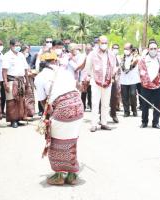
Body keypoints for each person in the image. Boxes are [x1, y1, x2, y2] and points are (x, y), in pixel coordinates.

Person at [34, 52, 83, 185]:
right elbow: (75, 87)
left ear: (41, 64)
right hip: (78, 107)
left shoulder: (39, 77)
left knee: (55, 143)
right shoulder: (65, 71)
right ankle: (72, 175)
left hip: (63, 109)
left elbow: (44, 102)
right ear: (55, 62)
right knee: (71, 140)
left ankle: (59, 176)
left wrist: (49, 116)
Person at [85, 35, 117, 132]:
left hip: (108, 82)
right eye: (102, 43)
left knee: (106, 104)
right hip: (96, 83)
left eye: (106, 43)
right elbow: (88, 67)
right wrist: (93, 77)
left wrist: (113, 75)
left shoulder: (111, 54)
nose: (104, 44)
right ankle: (94, 124)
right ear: (98, 43)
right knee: (95, 104)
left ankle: (104, 123)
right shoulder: (92, 54)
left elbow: (114, 67)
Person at [138, 41, 160, 129]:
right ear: (148, 49)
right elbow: (140, 72)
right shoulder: (143, 60)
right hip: (145, 85)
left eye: (155, 48)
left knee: (157, 105)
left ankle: (155, 123)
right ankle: (144, 122)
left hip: (158, 85)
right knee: (145, 105)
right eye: (151, 49)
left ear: (157, 49)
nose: (153, 50)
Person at [2, 39, 29, 128]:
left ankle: (19, 118)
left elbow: (25, 68)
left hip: (21, 80)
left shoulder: (21, 55)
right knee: (11, 101)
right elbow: (4, 71)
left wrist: (27, 81)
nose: (17, 47)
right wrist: (5, 82)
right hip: (11, 80)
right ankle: (13, 120)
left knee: (21, 100)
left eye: (19, 45)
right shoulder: (7, 56)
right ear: (11, 46)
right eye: (16, 45)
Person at [119, 43, 140, 117]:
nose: (125, 50)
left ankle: (134, 110)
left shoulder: (135, 58)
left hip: (133, 80)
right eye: (124, 49)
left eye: (127, 49)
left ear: (131, 50)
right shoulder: (121, 58)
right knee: (124, 96)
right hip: (124, 80)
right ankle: (126, 111)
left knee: (133, 94)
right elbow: (120, 68)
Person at [110, 44, 121, 123]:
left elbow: (119, 69)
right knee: (103, 99)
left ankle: (113, 114)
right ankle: (101, 117)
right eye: (114, 48)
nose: (115, 49)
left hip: (116, 79)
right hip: (107, 79)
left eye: (117, 48)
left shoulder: (118, 57)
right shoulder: (108, 56)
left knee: (114, 97)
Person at [80, 44, 93, 111]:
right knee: (83, 93)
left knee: (90, 93)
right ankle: (83, 106)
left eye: (89, 49)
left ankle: (91, 106)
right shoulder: (82, 56)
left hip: (91, 77)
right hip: (83, 77)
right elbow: (80, 67)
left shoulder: (93, 56)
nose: (88, 51)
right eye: (87, 49)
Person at [0, 40, 5, 118]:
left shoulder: (2, 55)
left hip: (2, 78)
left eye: (1, 44)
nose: (0, 46)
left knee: (3, 96)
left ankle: (1, 111)